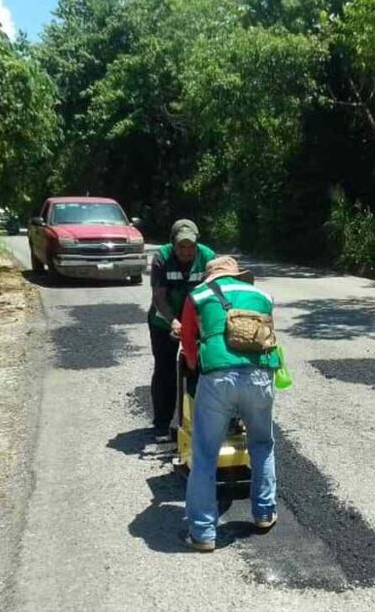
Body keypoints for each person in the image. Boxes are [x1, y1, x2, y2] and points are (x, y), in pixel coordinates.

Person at [178, 256, 280, 552]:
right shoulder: (262, 296)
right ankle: (263, 513)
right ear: (238, 275)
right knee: (262, 444)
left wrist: (199, 368)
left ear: (210, 277)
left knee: (206, 454)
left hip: (219, 380)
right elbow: (269, 337)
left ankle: (203, 533)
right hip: (261, 376)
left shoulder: (198, 296)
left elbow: (188, 343)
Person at [147, 219, 216, 442]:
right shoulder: (161, 258)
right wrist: (174, 322)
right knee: (165, 370)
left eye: (190, 247)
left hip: (196, 321)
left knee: (198, 369)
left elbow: (213, 294)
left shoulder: (208, 258)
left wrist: (197, 325)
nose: (186, 252)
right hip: (164, 320)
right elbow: (158, 297)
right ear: (173, 244)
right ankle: (161, 425)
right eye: (181, 247)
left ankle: (197, 423)